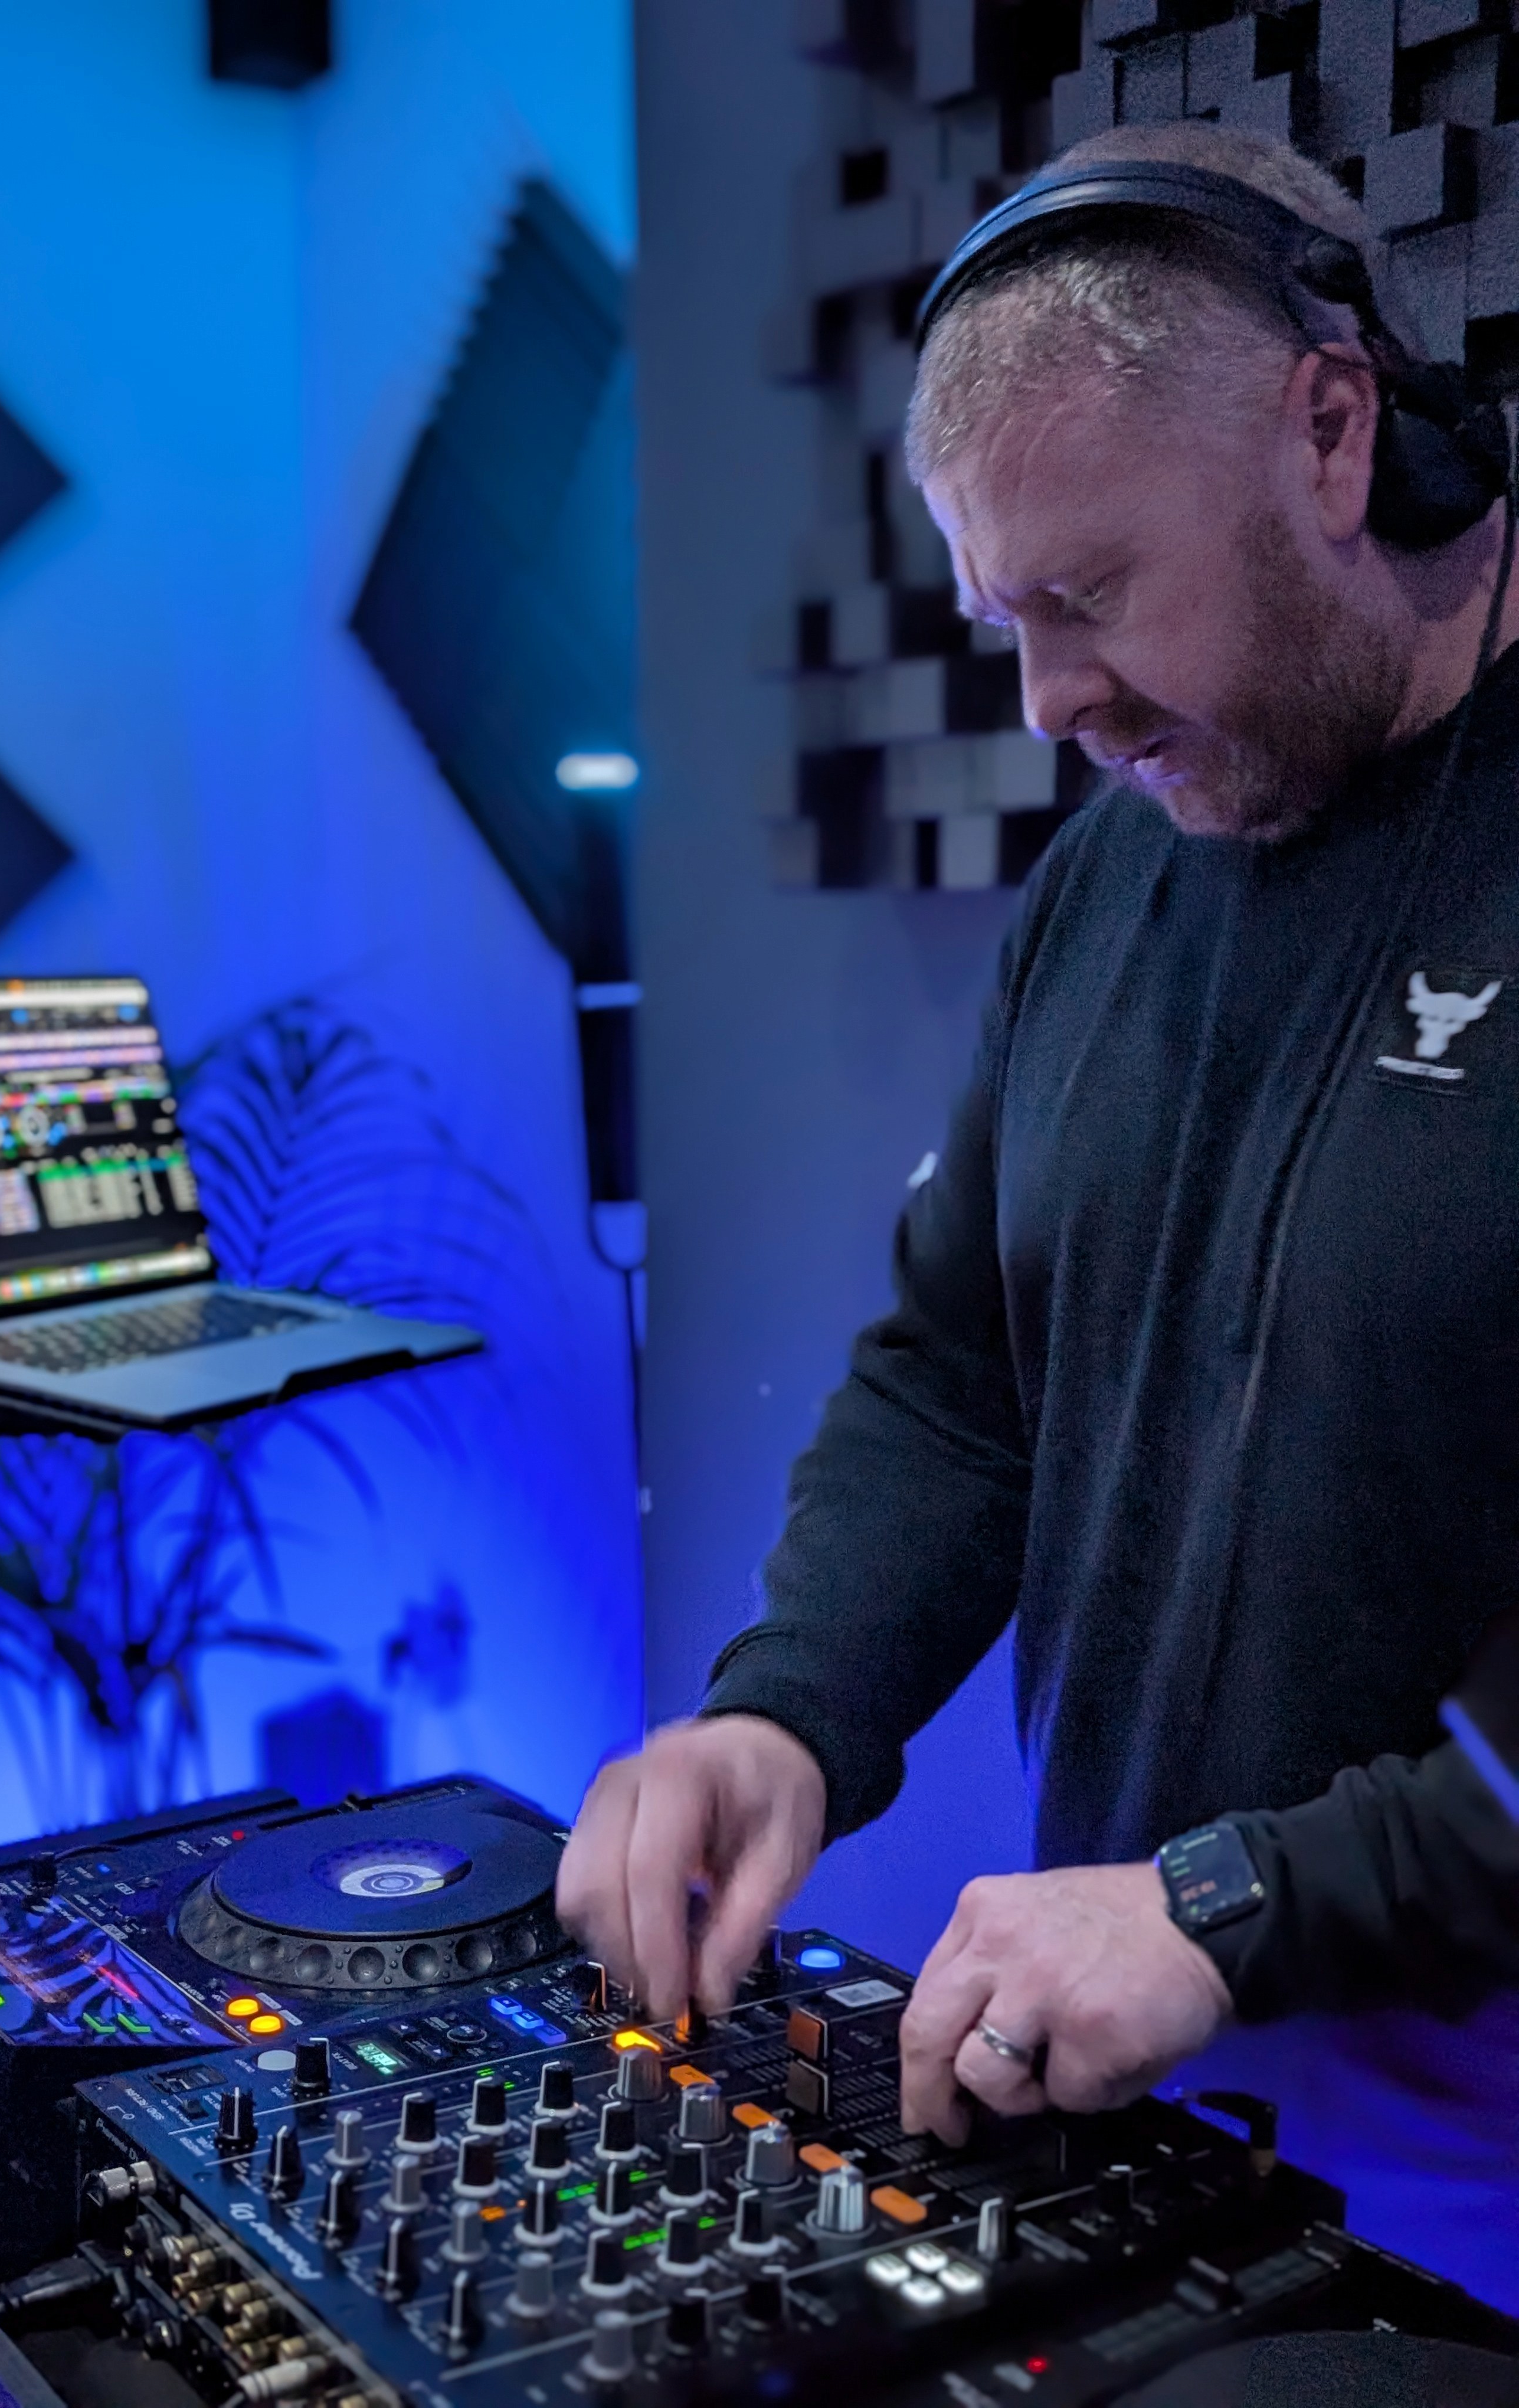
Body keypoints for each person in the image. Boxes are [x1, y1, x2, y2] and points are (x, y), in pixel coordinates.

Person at [558, 118, 1519, 2313]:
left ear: (1334, 429)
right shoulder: (1115, 868)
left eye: (1087, 598)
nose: (1048, 706)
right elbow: (967, 1376)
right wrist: (781, 1711)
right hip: (1149, 2103)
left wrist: (1237, 1905)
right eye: (999, 623)